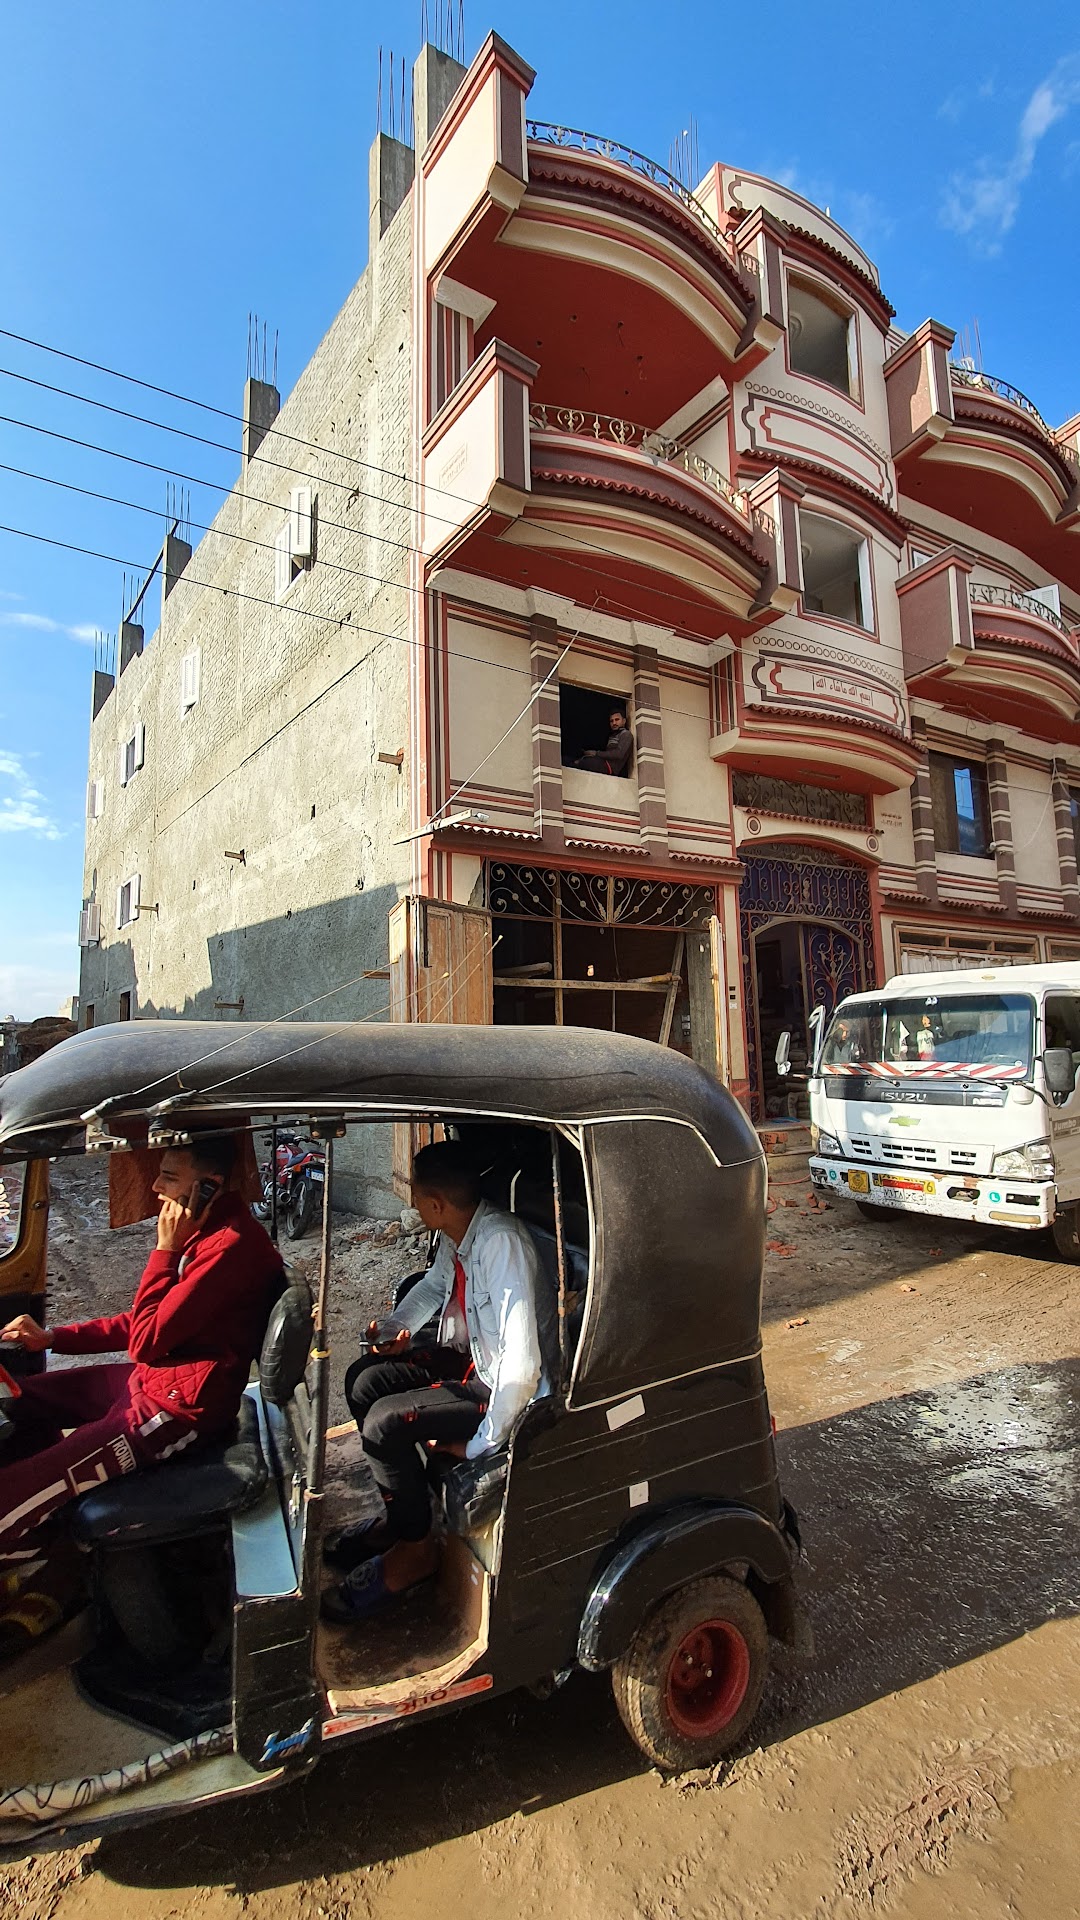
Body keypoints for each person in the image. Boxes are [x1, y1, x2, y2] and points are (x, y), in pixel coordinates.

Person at [0, 1135, 283, 1554]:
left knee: (11, 1497)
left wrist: (164, 1250)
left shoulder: (229, 1245)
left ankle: (58, 1570)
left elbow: (146, 1342)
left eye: (168, 1177)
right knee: (20, 1395)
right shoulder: (206, 1230)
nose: (155, 1188)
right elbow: (144, 1323)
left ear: (210, 1185)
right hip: (153, 1381)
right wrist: (54, 1338)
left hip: (175, 1410)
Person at [322, 1140, 552, 1624]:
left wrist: (480, 1445)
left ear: (436, 1204)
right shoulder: (459, 1233)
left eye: (414, 1195)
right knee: (364, 1380)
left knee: (385, 1425)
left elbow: (522, 1367)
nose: (410, 1203)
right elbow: (433, 1285)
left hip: (497, 1388)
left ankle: (415, 1553)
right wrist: (394, 1329)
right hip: (468, 1357)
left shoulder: (500, 1245)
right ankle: (406, 1513)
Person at [576, 707, 634, 778]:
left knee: (585, 763)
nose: (614, 723)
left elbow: (619, 754)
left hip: (610, 768)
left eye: (617, 720)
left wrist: (596, 753)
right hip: (604, 763)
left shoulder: (626, 734)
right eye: (611, 721)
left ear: (624, 721)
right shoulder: (613, 735)